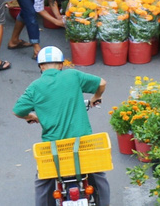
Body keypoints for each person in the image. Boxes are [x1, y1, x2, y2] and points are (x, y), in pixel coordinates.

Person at [13, 46, 109, 206]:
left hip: (54, 151)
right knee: (99, 175)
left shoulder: (35, 87)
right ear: (60, 65)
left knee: (42, 182)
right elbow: (102, 83)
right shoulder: (73, 75)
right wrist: (95, 97)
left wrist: (32, 116)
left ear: (41, 67)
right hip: (83, 146)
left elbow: (17, 111)